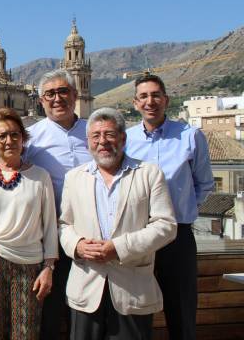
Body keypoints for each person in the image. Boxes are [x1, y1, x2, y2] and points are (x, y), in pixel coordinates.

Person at [60, 107, 177, 339]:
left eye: (109, 134)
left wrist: (119, 248)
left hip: (131, 290)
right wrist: (77, 245)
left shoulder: (149, 174)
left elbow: (166, 225)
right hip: (85, 289)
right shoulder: (74, 178)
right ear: (88, 142)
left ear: (123, 138)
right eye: (96, 136)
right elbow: (64, 224)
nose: (102, 141)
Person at [125, 74, 214, 339]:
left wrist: (182, 211)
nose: (149, 101)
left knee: (181, 312)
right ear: (135, 103)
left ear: (166, 100)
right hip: (140, 235)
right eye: (143, 96)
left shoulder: (190, 136)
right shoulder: (127, 139)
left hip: (178, 237)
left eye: (155, 95)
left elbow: (204, 184)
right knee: (138, 310)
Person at [0, 107, 58, 339]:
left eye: (15, 134)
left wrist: (49, 268)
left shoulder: (40, 176)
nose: (9, 141)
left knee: (26, 331)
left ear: (23, 137)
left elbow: (50, 225)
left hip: (28, 264)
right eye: (1, 136)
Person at [24, 69, 92, 339]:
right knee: (50, 313)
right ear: (41, 101)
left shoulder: (95, 132)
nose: (57, 98)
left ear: (75, 95)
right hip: (49, 238)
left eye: (63, 91)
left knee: (88, 314)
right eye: (49, 94)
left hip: (92, 236)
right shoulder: (30, 138)